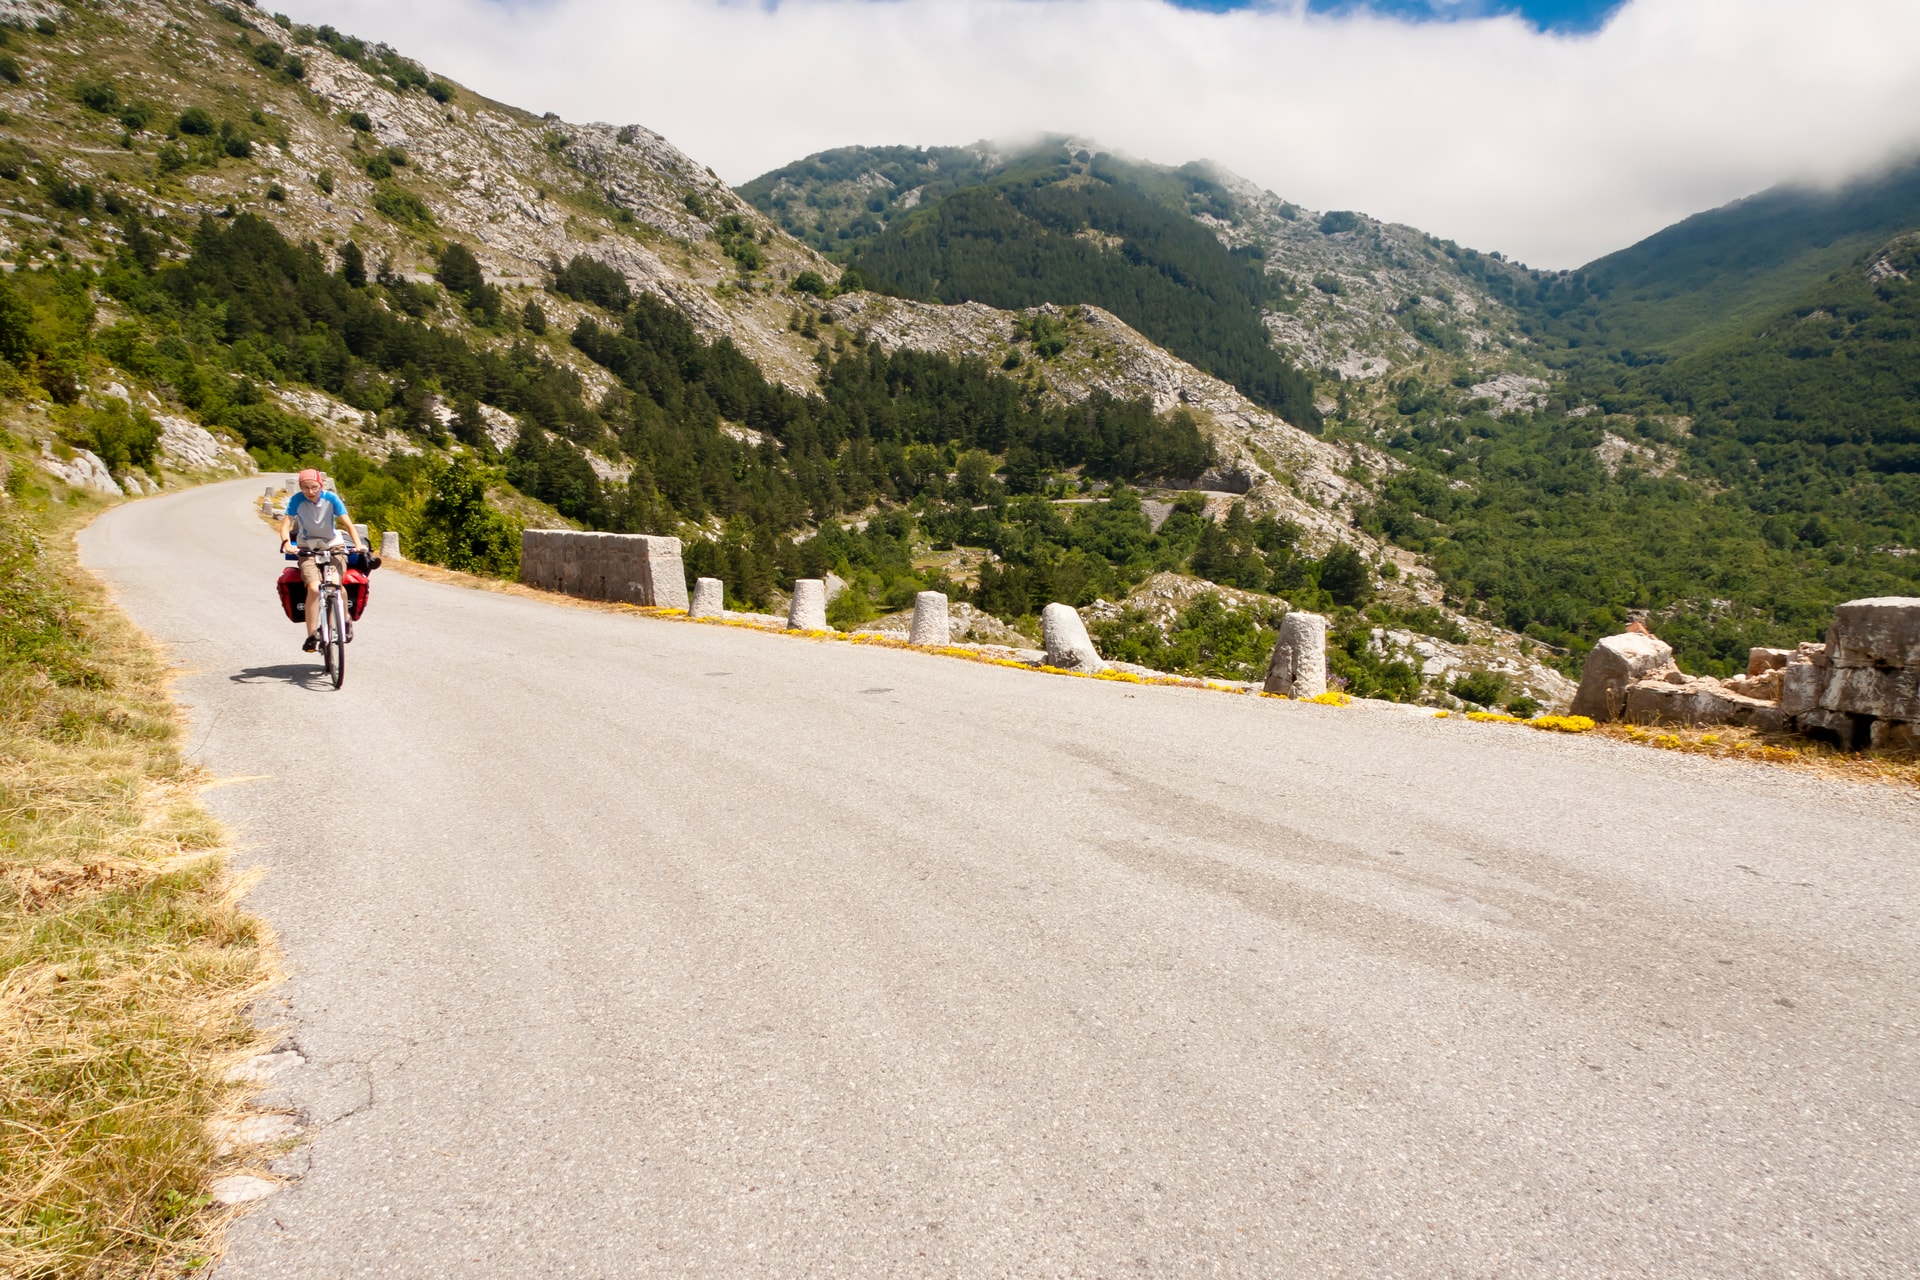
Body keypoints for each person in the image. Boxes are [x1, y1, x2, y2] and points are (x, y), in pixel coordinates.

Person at [279, 469, 370, 652]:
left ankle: (345, 619)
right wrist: (287, 542)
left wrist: (358, 544)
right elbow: (286, 525)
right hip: (307, 547)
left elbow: (347, 524)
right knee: (313, 587)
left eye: (314, 487)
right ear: (301, 488)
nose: (310, 492)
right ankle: (312, 635)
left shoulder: (331, 499)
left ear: (321, 485)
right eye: (305, 488)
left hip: (333, 544)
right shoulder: (297, 500)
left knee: (336, 584)